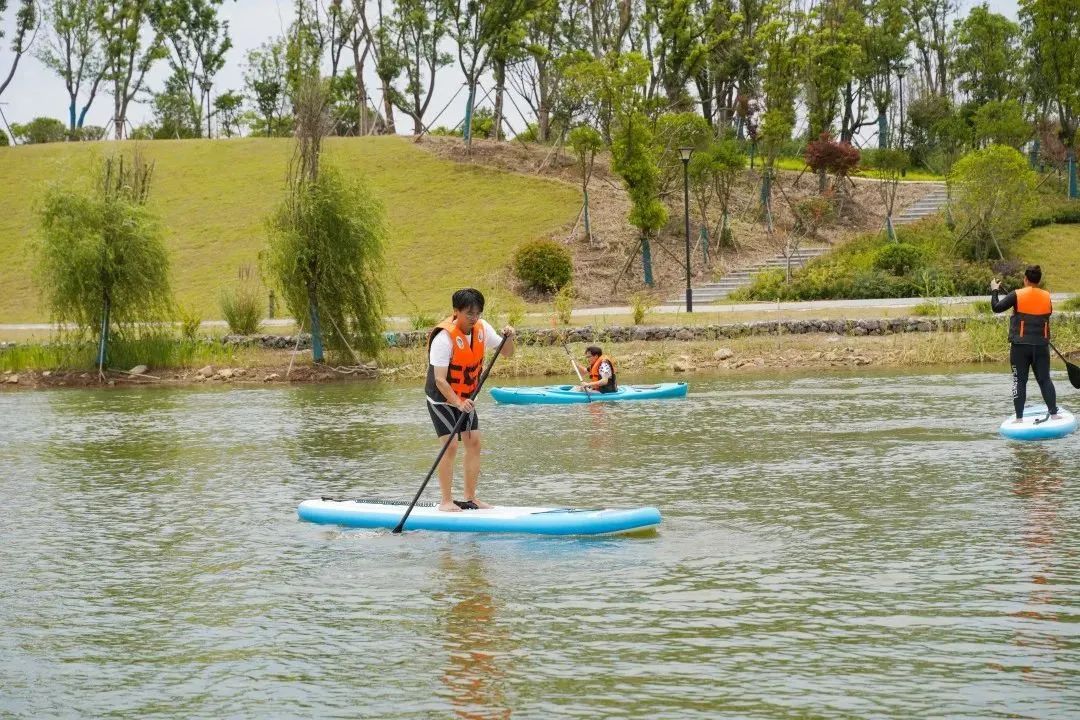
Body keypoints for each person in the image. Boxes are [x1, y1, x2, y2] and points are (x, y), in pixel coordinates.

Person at [426, 288, 515, 512]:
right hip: (441, 399)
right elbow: (439, 380)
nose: (474, 318)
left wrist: (509, 337)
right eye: (469, 314)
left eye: (477, 313)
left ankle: (469, 498)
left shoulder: (482, 329)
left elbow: (507, 352)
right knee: (450, 446)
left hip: (466, 397)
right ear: (456, 312)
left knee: (474, 443)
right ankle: (446, 501)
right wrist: (457, 403)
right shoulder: (443, 337)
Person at [991, 265, 1060, 422]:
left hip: (1020, 348)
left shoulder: (1016, 294)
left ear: (1025, 279)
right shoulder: (1046, 296)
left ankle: (1019, 419)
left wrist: (995, 289)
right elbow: (1044, 313)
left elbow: (996, 308)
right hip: (1041, 346)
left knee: (1019, 381)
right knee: (1045, 380)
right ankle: (1054, 414)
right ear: (1039, 280)